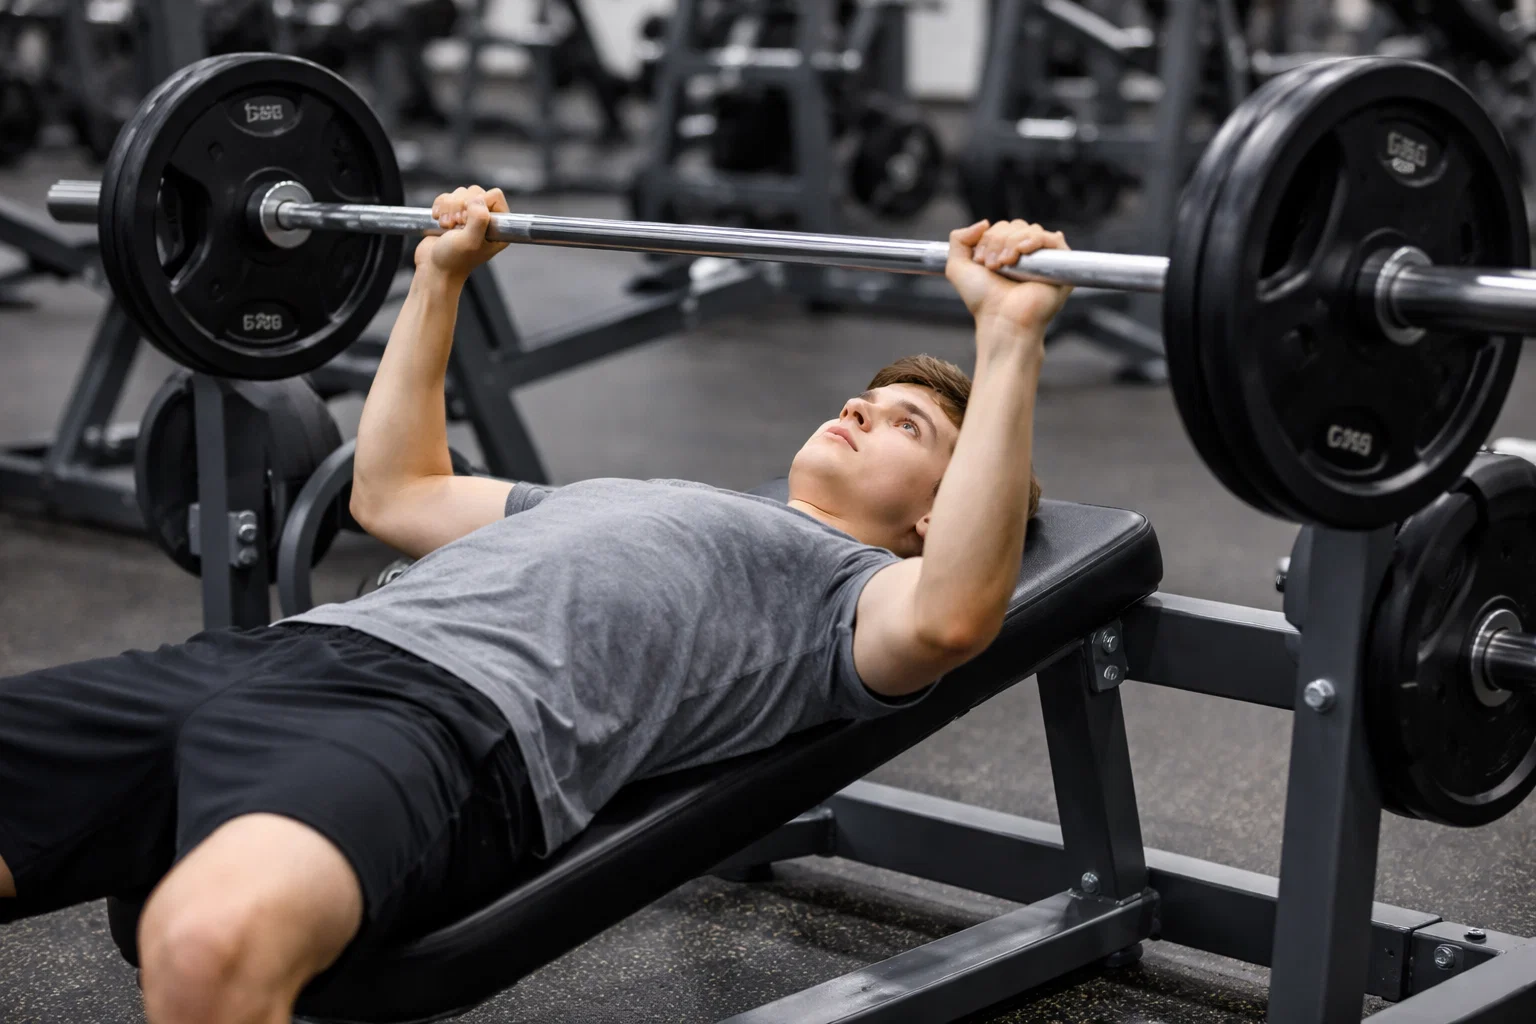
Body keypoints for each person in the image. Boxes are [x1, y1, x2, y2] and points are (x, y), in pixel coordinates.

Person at [0, 185, 1068, 1024]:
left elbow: (953, 619)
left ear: (934, 518)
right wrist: (439, 276)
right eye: (864, 399)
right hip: (269, 655)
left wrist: (1008, 337)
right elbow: (396, 492)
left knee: (203, 949)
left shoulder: (848, 594)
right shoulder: (634, 499)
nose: (857, 409)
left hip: (439, 726)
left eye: (905, 428)